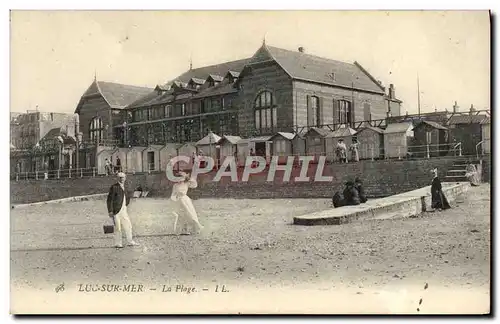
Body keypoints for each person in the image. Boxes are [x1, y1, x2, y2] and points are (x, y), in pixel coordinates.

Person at [106, 172, 139, 248]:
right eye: (120, 177)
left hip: (124, 209)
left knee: (128, 225)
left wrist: (126, 204)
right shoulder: (114, 187)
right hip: (116, 211)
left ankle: (130, 241)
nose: (121, 179)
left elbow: (128, 196)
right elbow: (109, 200)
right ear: (117, 178)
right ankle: (118, 243)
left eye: (123, 177)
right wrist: (110, 211)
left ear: (125, 178)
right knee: (118, 227)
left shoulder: (126, 187)